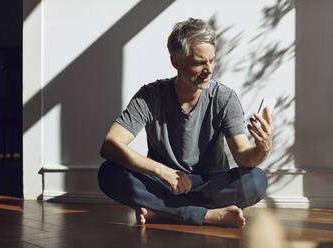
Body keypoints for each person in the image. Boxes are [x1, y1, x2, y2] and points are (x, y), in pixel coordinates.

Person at [98, 18, 273, 227]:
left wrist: (262, 149)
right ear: (176, 62)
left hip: (210, 185)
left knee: (257, 180)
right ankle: (204, 215)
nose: (209, 69)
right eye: (200, 62)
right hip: (164, 184)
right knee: (109, 173)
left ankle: (163, 211)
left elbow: (244, 157)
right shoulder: (150, 96)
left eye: (212, 60)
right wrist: (163, 172)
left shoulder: (225, 98)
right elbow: (110, 145)